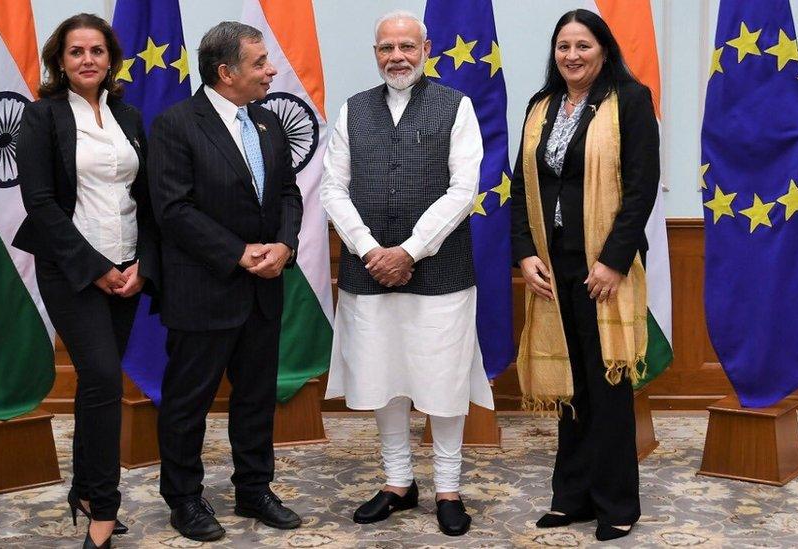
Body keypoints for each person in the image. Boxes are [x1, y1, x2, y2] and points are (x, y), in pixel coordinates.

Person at [320, 10, 494, 538]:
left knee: (442, 381)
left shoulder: (456, 105)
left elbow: (463, 190)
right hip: (367, 269)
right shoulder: (353, 110)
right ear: (375, 53)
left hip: (441, 272)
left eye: (406, 46)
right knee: (383, 378)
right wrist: (373, 249)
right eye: (385, 48)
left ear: (426, 48)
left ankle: (447, 488)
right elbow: (332, 188)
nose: (396, 56)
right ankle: (398, 483)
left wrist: (411, 251)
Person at [146, 21, 304, 543]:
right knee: (188, 401)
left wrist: (284, 245)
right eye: (259, 63)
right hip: (205, 289)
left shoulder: (268, 122)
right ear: (225, 72)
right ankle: (185, 500)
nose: (271, 70)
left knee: (256, 397)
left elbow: (287, 193)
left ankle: (254, 490)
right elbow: (173, 209)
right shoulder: (176, 124)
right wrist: (237, 253)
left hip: (264, 287)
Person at [510, 8, 659, 542]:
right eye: (563, 47)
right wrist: (524, 253)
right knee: (569, 387)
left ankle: (616, 503)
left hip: (604, 269)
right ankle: (570, 498)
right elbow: (518, 187)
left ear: (603, 50)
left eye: (583, 46)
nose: (571, 56)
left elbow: (642, 188)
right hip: (552, 267)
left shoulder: (630, 101)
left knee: (606, 386)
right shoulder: (540, 106)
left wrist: (613, 261)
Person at [13, 13, 159, 549]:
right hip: (72, 271)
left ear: (110, 57)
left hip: (129, 270)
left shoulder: (130, 115)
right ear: (60, 60)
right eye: (76, 52)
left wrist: (142, 263)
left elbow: (146, 200)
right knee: (101, 378)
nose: (87, 60)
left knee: (98, 386)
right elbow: (40, 203)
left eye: (96, 50)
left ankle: (83, 489)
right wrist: (95, 268)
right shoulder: (42, 117)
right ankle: (104, 507)